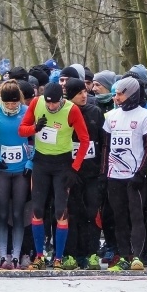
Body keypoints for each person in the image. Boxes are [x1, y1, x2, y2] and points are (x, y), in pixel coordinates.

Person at [18, 83, 89, 270]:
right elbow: (21, 130)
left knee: (60, 211)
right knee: (38, 209)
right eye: (48, 104)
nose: (51, 107)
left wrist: (75, 168)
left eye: (55, 104)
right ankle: (39, 256)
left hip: (62, 164)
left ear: (61, 99)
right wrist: (34, 127)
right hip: (41, 163)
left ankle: (58, 257)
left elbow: (84, 140)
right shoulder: (36, 103)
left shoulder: (71, 110)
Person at [100, 76, 147, 271]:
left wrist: (141, 173)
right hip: (114, 175)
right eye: (115, 94)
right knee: (119, 217)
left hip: (135, 176)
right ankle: (124, 255)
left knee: (136, 216)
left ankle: (138, 256)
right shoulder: (111, 116)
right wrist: (103, 173)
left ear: (131, 94)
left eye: (119, 94)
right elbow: (106, 147)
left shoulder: (145, 116)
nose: (115, 98)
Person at [63, 78, 104, 269]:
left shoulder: (95, 112)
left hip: (92, 172)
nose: (84, 95)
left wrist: (102, 170)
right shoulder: (64, 113)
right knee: (72, 213)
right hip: (71, 172)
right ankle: (71, 253)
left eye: (85, 92)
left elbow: (103, 142)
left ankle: (92, 253)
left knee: (92, 213)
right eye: (79, 93)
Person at [0, 81, 33, 269]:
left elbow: (35, 138)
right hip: (1, 169)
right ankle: (2, 255)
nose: (11, 106)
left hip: (21, 169)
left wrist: (31, 161)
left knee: (18, 214)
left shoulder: (26, 111)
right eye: (7, 103)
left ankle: (16, 255)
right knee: (1, 214)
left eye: (14, 103)